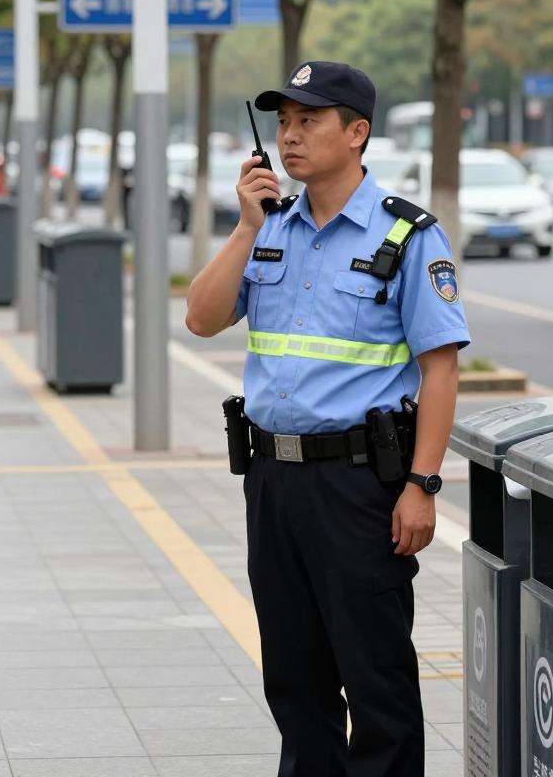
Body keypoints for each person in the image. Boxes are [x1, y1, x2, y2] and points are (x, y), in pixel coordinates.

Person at [185, 61, 471, 777]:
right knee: (294, 681)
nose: (290, 136)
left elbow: (440, 368)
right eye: (283, 122)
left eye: (308, 121)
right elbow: (200, 316)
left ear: (357, 133)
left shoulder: (407, 237)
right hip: (273, 483)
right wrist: (246, 227)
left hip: (359, 488)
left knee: (376, 681)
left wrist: (422, 485)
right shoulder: (273, 229)